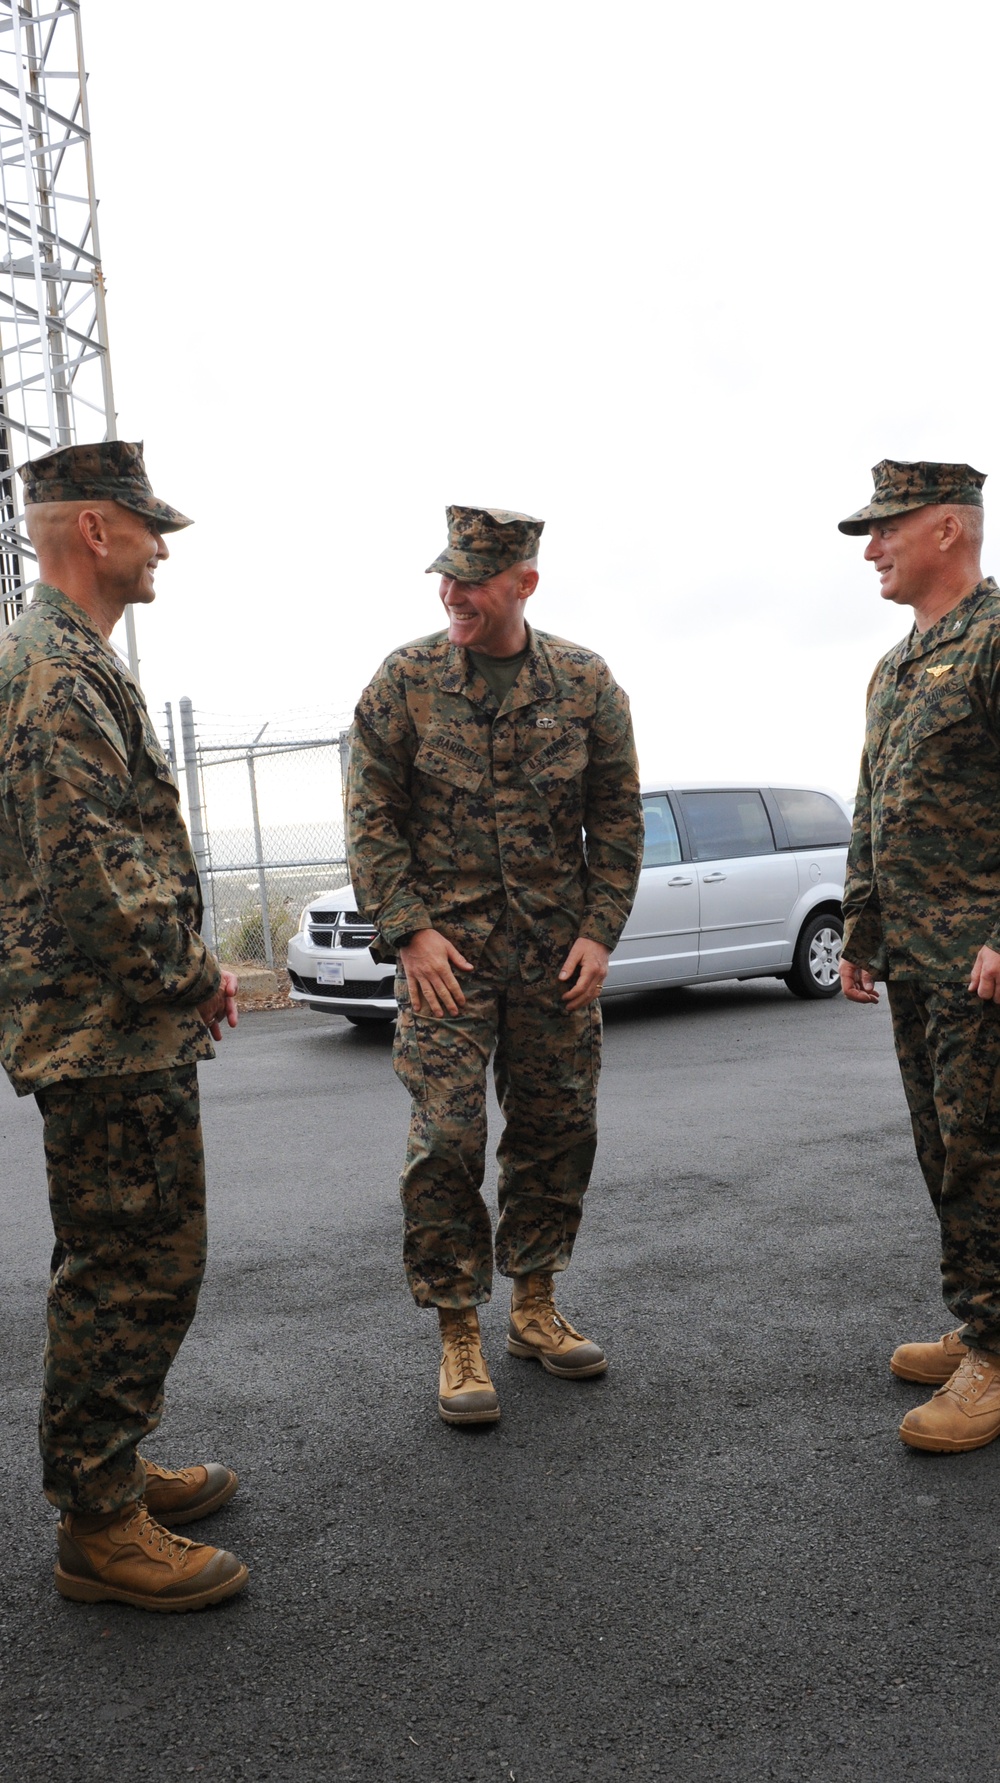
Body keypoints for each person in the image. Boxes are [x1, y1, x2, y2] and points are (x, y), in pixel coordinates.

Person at [0, 441, 248, 1609]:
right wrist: (195, 970)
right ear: (94, 530)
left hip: (117, 1021)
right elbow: (98, 866)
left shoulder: (73, 658)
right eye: (149, 527)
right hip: (107, 1027)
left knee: (130, 1254)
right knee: (131, 1262)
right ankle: (99, 1525)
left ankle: (111, 1464)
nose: (161, 547)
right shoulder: (54, 670)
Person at [347, 505, 643, 1425]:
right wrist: (408, 929)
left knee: (557, 1130)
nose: (453, 594)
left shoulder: (587, 683)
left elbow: (620, 818)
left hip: (557, 957)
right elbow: (370, 818)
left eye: (473, 580)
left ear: (524, 583)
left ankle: (537, 1305)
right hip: (448, 960)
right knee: (445, 1140)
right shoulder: (406, 681)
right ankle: (457, 1329)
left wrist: (600, 930)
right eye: (447, 577)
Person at [838, 457, 1000, 1454]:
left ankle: (995, 1352)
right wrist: (860, 929)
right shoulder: (896, 665)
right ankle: (982, 1314)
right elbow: (871, 802)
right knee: (945, 1146)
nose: (871, 550)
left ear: (947, 528)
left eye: (885, 529)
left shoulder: (994, 639)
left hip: (978, 955)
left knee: (986, 1146)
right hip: (915, 956)